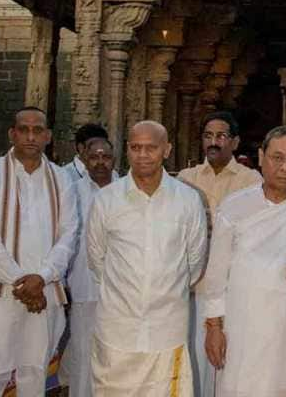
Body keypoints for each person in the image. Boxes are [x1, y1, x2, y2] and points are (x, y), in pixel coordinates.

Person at [200, 126, 286, 396]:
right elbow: (217, 275)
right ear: (261, 156)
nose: (285, 167)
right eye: (277, 158)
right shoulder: (235, 206)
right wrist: (214, 328)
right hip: (244, 330)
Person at [87, 120, 207, 396]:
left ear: (166, 150)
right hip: (117, 329)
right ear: (127, 150)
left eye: (151, 148)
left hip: (167, 329)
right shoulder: (107, 200)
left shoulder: (188, 200)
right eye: (135, 147)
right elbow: (97, 260)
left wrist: (161, 289)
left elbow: (194, 263)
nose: (142, 155)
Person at [0, 107, 78, 397]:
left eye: (37, 130)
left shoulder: (62, 179)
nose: (30, 136)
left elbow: (69, 234)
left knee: (35, 370)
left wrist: (41, 278)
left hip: (44, 292)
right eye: (23, 129)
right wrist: (22, 281)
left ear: (48, 136)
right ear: (11, 134)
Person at [176, 111, 261, 396]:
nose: (214, 142)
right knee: (193, 361)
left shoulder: (251, 181)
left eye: (221, 136)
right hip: (193, 286)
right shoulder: (185, 179)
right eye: (208, 136)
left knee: (227, 362)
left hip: (232, 288)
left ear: (235, 142)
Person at [64, 138, 117, 397]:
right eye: (94, 156)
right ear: (84, 159)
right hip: (84, 288)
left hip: (122, 291)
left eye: (105, 156)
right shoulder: (71, 192)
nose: (100, 162)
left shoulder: (127, 190)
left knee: (116, 356)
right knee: (83, 355)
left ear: (114, 158)